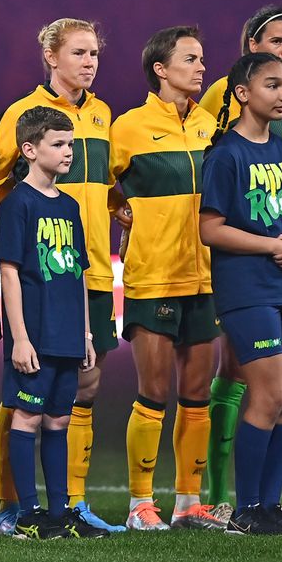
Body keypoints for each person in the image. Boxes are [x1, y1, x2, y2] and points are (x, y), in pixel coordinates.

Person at [0, 18, 122, 535]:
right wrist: (18, 333)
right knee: (25, 410)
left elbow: (106, 183)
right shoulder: (22, 120)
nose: (90, 62)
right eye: (80, 52)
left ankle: (65, 508)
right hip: (35, 309)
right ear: (51, 56)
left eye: (95, 53)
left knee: (66, 411)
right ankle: (20, 510)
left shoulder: (101, 117)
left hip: (77, 299)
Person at [197, 6, 282, 518]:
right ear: (244, 92)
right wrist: (273, 246)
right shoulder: (226, 154)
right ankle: (245, 510)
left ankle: (270, 505)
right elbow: (209, 228)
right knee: (265, 396)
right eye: (272, 85)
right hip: (249, 287)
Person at [110, 26, 225, 531]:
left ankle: (188, 503)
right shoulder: (128, 127)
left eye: (202, 59)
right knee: (152, 392)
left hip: (206, 277)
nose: (202, 67)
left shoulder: (213, 127)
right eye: (191, 59)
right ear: (160, 69)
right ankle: (140, 504)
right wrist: (120, 209)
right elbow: (98, 184)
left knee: (197, 393)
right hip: (153, 276)